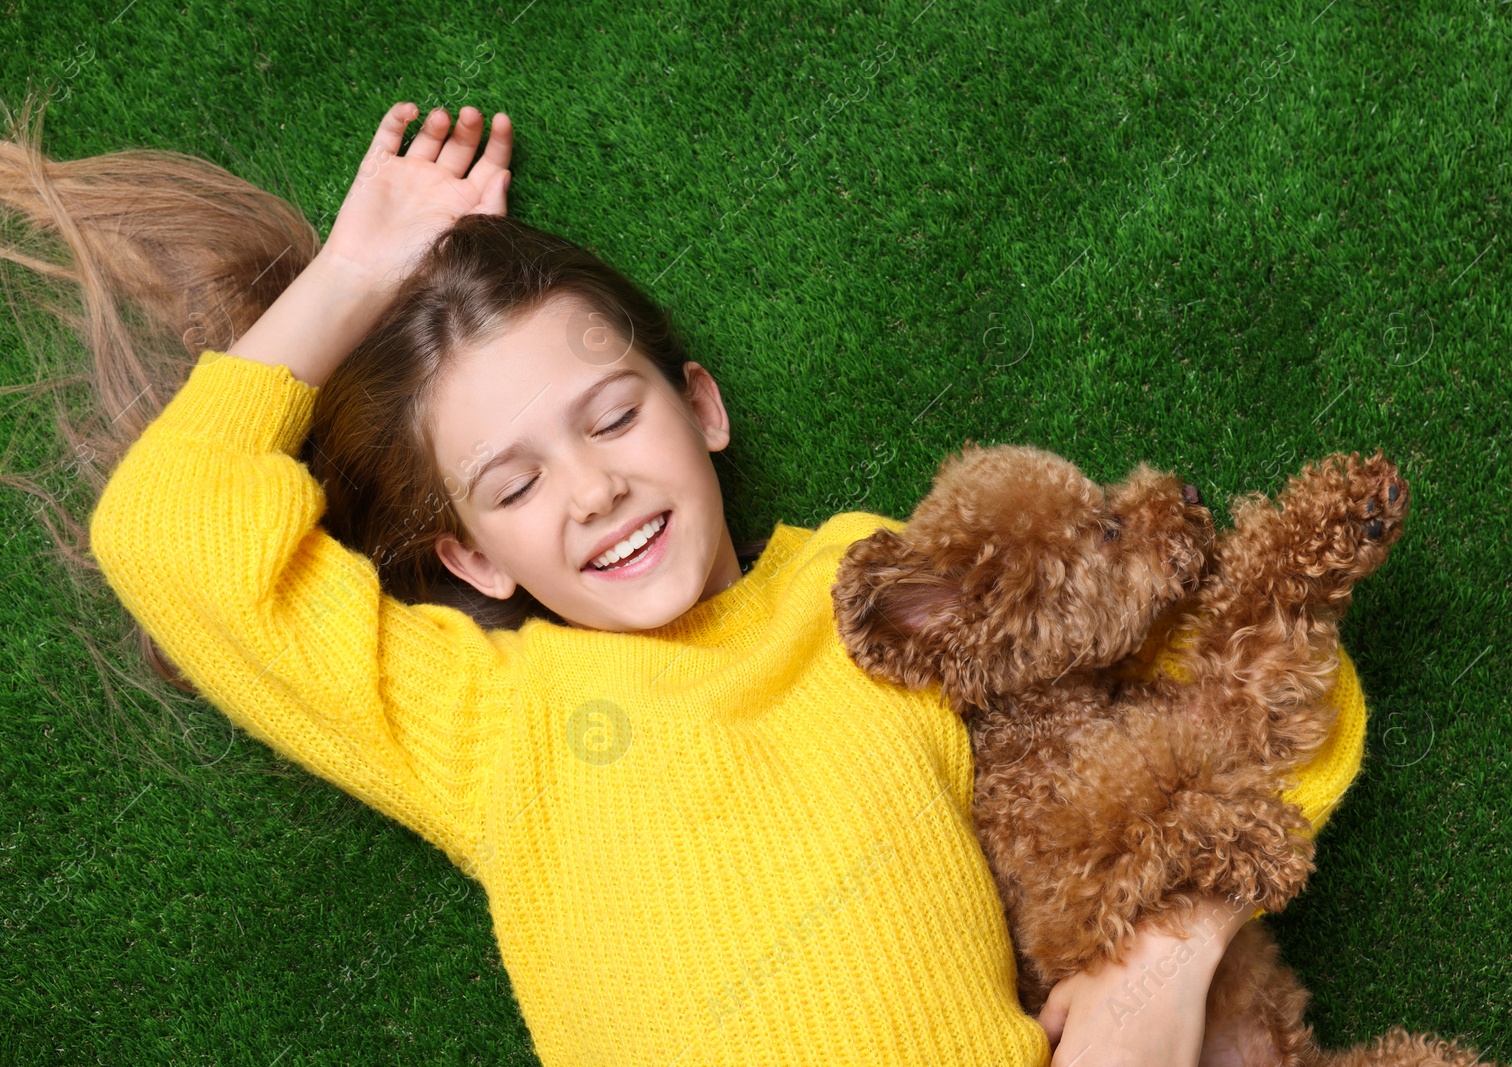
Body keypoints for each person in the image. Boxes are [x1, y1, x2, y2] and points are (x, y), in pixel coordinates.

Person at [1, 95, 1366, 1066]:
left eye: (611, 417)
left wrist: (1168, 960)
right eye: (515, 484)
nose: (590, 489)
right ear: (474, 557)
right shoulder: (484, 717)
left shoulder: (866, 590)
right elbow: (170, 534)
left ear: (699, 406)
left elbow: (1277, 691)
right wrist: (357, 271)